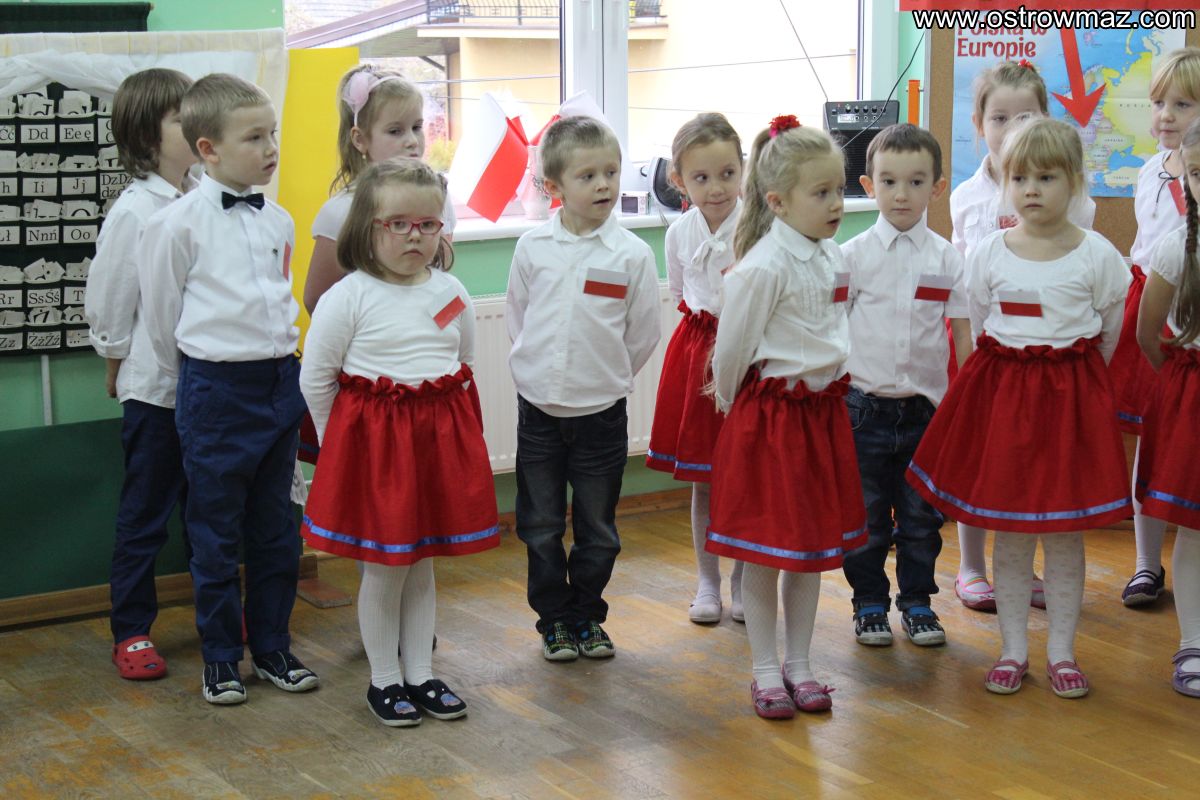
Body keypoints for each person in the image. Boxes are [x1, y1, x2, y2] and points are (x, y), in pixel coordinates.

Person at [908, 118, 1130, 699]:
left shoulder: (1099, 256)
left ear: (1075, 182)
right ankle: (1012, 650)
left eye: (1046, 177)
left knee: (1063, 537)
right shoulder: (988, 254)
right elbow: (982, 324)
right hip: (1006, 406)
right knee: (1008, 535)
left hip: (1069, 410)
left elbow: (1108, 333)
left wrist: (1070, 382)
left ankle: (1062, 652)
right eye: (1020, 178)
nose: (1031, 189)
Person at [139, 73, 318, 705]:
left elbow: (277, 300)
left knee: (277, 529)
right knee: (214, 534)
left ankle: (272, 646)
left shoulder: (280, 219)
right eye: (254, 138)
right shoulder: (174, 225)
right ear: (208, 149)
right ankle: (220, 656)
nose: (271, 148)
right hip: (215, 390)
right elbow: (161, 320)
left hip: (279, 383)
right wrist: (194, 386)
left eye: (273, 134)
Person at [300, 159, 499, 726]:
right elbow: (316, 379)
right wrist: (341, 449)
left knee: (423, 564)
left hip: (434, 446)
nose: (415, 236)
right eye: (399, 224)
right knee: (387, 568)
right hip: (376, 454)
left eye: (427, 224)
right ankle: (384, 680)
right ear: (368, 228)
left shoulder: (451, 290)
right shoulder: (349, 296)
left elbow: (462, 361)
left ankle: (422, 674)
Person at [707, 115, 864, 719]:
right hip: (772, 423)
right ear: (777, 201)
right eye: (821, 193)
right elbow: (731, 353)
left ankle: (800, 664)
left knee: (809, 549)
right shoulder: (764, 266)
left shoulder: (832, 256)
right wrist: (737, 409)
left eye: (839, 189)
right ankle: (765, 670)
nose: (836, 203)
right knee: (766, 551)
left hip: (821, 418)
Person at [505, 115, 661, 662]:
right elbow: (519, 319)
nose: (603, 185)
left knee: (598, 528)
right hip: (539, 414)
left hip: (601, 414)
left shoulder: (632, 254)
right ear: (554, 187)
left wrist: (604, 375)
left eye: (611, 172)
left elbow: (642, 333)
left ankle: (587, 617)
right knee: (541, 525)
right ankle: (553, 621)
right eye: (588, 175)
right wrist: (540, 375)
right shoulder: (532, 248)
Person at [947, 60, 1092, 611]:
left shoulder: (1071, 197)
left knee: (1027, 460)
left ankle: (1023, 566)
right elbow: (965, 283)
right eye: (999, 118)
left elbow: (1076, 271)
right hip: (984, 348)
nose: (1010, 129)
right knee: (980, 458)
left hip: (1044, 351)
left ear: (1046, 119)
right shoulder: (966, 196)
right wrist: (971, 350)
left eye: (1024, 117)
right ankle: (970, 565)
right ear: (979, 123)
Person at [840, 123, 971, 647]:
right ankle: (869, 602)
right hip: (862, 410)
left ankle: (918, 603)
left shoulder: (947, 258)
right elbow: (833, 329)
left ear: (936, 188)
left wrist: (967, 404)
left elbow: (962, 333)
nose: (901, 194)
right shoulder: (851, 256)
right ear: (869, 186)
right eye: (889, 182)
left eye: (916, 182)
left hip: (925, 413)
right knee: (867, 519)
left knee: (920, 520)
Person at [84, 68, 196, 680]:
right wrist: (114, 359)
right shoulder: (135, 210)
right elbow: (111, 295)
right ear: (148, 137)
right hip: (154, 390)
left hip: (206, 386)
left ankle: (217, 614)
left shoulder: (202, 196)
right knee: (146, 516)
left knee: (208, 513)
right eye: (181, 119)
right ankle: (131, 630)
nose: (196, 127)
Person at [646, 112, 745, 624]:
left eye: (727, 174)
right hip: (698, 355)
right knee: (703, 480)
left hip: (747, 354)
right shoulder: (679, 234)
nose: (716, 188)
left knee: (746, 475)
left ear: (743, 170)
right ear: (679, 180)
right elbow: (682, 292)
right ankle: (708, 582)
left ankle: (744, 581)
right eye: (701, 177)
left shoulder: (757, 226)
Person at [1118, 48, 1200, 607]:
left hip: (1188, 326)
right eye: (1158, 103)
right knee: (1151, 443)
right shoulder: (1150, 170)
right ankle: (1147, 565)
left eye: (1183, 104)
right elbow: (1146, 246)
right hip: (1151, 318)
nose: (1166, 115)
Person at [303, 64, 455, 315]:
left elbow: (441, 274)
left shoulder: (439, 196)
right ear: (360, 139)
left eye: (417, 127)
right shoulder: (341, 209)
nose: (412, 141)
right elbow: (316, 299)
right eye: (395, 131)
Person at [1135, 115, 1200, 697]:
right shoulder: (1176, 246)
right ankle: (1193, 643)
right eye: (1198, 174)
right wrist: (1181, 389)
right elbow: (1147, 333)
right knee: (1195, 530)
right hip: (1192, 397)